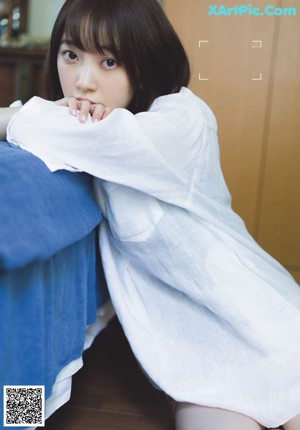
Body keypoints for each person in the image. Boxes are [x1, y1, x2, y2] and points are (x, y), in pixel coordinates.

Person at [2, 0, 300, 429]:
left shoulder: (184, 119)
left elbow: (104, 138)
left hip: (273, 332)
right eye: (71, 55)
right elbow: (58, 127)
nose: (83, 82)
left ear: (144, 64)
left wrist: (11, 115)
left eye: (109, 61)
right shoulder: (71, 139)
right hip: (197, 371)